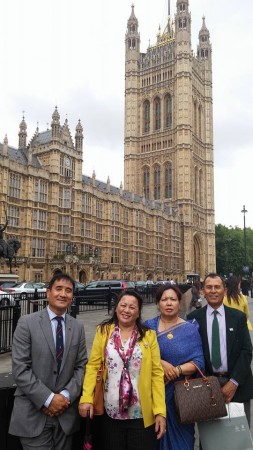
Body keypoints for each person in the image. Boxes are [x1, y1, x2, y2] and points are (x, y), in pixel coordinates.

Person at [79, 289, 166, 450]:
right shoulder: (104, 331)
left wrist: (160, 411)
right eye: (123, 305)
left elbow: (156, 375)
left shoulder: (148, 336)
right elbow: (93, 367)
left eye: (132, 307)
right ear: (116, 307)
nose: (126, 310)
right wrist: (86, 398)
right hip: (111, 413)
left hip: (141, 413)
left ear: (139, 312)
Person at [9, 272, 88, 450]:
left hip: (65, 417)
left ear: (72, 297)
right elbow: (20, 368)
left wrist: (65, 396)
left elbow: (81, 366)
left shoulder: (78, 327)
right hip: (33, 415)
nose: (63, 294)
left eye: (68, 290)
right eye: (58, 289)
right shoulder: (26, 323)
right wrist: (48, 399)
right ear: (48, 293)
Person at [187, 273, 253, 426]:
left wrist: (234, 382)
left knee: (238, 440)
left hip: (237, 385)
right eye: (209, 287)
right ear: (203, 291)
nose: (213, 291)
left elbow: (246, 351)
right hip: (207, 386)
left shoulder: (238, 317)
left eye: (217, 287)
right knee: (211, 440)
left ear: (224, 290)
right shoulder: (193, 318)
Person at [144, 285, 205, 450]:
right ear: (158, 304)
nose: (168, 303)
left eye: (173, 299)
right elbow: (139, 357)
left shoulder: (190, 328)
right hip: (154, 396)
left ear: (179, 303)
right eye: (164, 300)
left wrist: (177, 370)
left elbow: (199, 362)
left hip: (181, 399)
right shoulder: (147, 328)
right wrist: (161, 363)